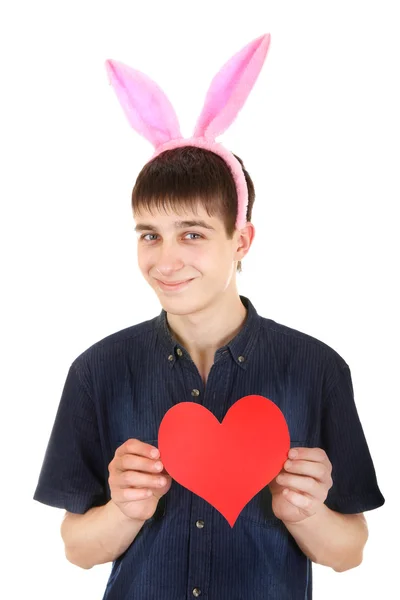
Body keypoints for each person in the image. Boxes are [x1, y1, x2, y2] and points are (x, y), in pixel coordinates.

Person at [33, 35, 385, 600]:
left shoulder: (316, 369)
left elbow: (349, 551)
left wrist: (306, 513)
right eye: (150, 235)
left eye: (191, 234)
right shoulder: (97, 370)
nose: (165, 260)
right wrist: (124, 510)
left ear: (241, 239)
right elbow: (76, 549)